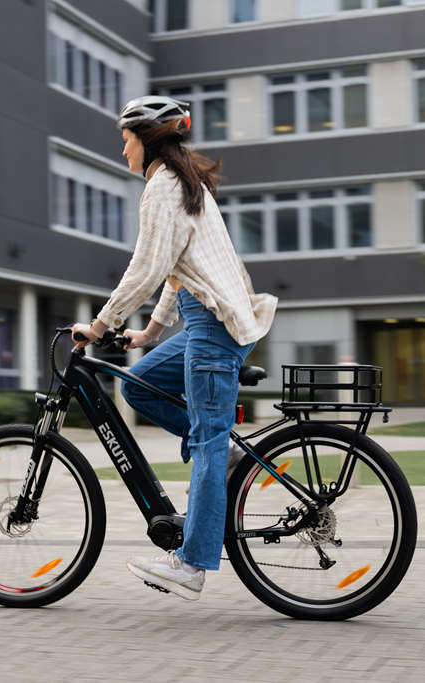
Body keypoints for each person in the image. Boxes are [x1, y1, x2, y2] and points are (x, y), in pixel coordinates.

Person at [71, 96, 277, 601]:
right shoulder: (184, 186)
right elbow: (176, 271)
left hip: (212, 329)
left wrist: (100, 325)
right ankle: (226, 455)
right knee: (140, 387)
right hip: (205, 323)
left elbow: (147, 267)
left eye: (126, 141)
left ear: (148, 139)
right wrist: (150, 334)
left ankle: (192, 563)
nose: (124, 152)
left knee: (206, 442)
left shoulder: (164, 188)